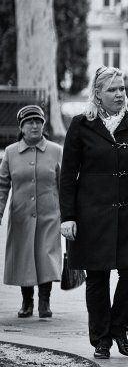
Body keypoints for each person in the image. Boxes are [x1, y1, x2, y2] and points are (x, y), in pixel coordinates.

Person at [60, 66, 128, 359]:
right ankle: (101, 339)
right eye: (113, 89)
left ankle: (119, 329)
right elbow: (68, 175)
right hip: (91, 213)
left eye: (122, 88)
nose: (120, 94)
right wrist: (67, 216)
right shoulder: (81, 125)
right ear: (98, 94)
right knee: (97, 276)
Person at [0, 106, 63, 319]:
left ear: (44, 125)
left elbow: (65, 185)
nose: (35, 126)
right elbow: (2, 186)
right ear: (22, 127)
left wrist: (70, 217)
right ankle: (27, 301)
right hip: (21, 216)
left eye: (38, 121)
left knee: (46, 256)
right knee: (24, 257)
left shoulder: (56, 151)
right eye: (29, 122)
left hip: (49, 215)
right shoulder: (10, 153)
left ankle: (44, 301)